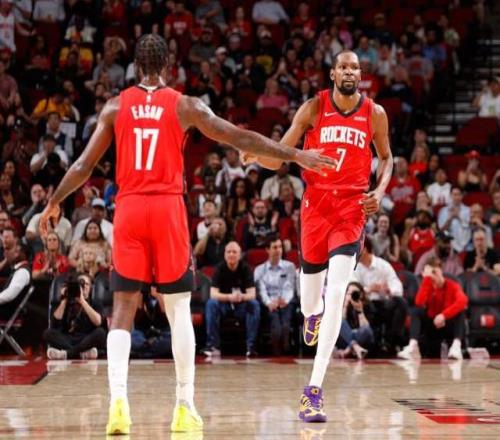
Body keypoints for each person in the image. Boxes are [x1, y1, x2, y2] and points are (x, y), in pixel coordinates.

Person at [38, 34, 335, 435]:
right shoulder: (184, 104)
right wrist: (295, 154)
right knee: (178, 310)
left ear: (135, 66)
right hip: (166, 209)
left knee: (122, 309)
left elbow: (82, 166)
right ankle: (184, 406)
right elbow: (238, 136)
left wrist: (54, 202)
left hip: (129, 208)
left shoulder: (115, 106)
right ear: (168, 66)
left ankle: (118, 406)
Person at [241, 50, 393, 422]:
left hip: (351, 209)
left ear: (360, 74)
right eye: (343, 67)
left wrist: (379, 191)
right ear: (332, 74)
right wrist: (257, 154)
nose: (349, 72)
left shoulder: (374, 113)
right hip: (316, 208)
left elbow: (388, 158)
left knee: (337, 290)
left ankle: (313, 391)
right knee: (311, 302)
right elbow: (280, 154)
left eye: (355, 67)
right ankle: (315, 314)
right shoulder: (313, 107)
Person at [398, 257, 467, 360]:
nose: (433, 276)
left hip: (447, 324)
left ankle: (456, 347)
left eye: (435, 272)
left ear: (441, 270)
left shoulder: (453, 285)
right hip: (431, 325)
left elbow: (463, 301)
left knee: (460, 312)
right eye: (431, 273)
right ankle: (412, 346)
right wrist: (426, 280)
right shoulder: (427, 285)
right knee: (416, 311)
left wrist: (443, 315)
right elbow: (419, 302)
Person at [204, 241, 260, 357]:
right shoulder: (219, 269)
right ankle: (213, 346)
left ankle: (251, 346)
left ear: (240, 255)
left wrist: (241, 297)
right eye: (228, 252)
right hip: (224, 305)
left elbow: (252, 294)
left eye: (234, 252)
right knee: (211, 304)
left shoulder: (246, 268)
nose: (231, 254)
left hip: (241, 305)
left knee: (254, 304)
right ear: (224, 254)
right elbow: (213, 294)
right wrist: (229, 297)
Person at [44, 273, 107, 360]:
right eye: (81, 284)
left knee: (101, 333)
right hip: (68, 338)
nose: (84, 286)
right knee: (48, 333)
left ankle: (67, 354)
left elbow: (98, 322)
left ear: (91, 288)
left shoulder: (95, 302)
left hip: (86, 338)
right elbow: (55, 323)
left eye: (86, 284)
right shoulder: (66, 302)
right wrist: (65, 299)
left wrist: (82, 301)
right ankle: (81, 353)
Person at [254, 236, 296, 355]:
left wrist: (285, 300)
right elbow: (261, 290)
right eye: (275, 247)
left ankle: (287, 348)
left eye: (280, 247)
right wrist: (269, 303)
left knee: (286, 326)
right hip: (269, 304)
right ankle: (276, 352)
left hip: (286, 302)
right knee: (276, 328)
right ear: (268, 250)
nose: (278, 250)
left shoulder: (290, 267)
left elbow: (290, 286)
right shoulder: (259, 270)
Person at [334, 282, 375, 360]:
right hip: (345, 338)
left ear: (361, 294)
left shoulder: (368, 306)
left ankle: (350, 350)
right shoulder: (340, 305)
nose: (352, 296)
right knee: (340, 323)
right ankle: (356, 348)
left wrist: (360, 311)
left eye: (355, 293)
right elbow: (340, 327)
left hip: (361, 338)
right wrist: (345, 306)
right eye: (349, 294)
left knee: (366, 329)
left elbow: (367, 330)